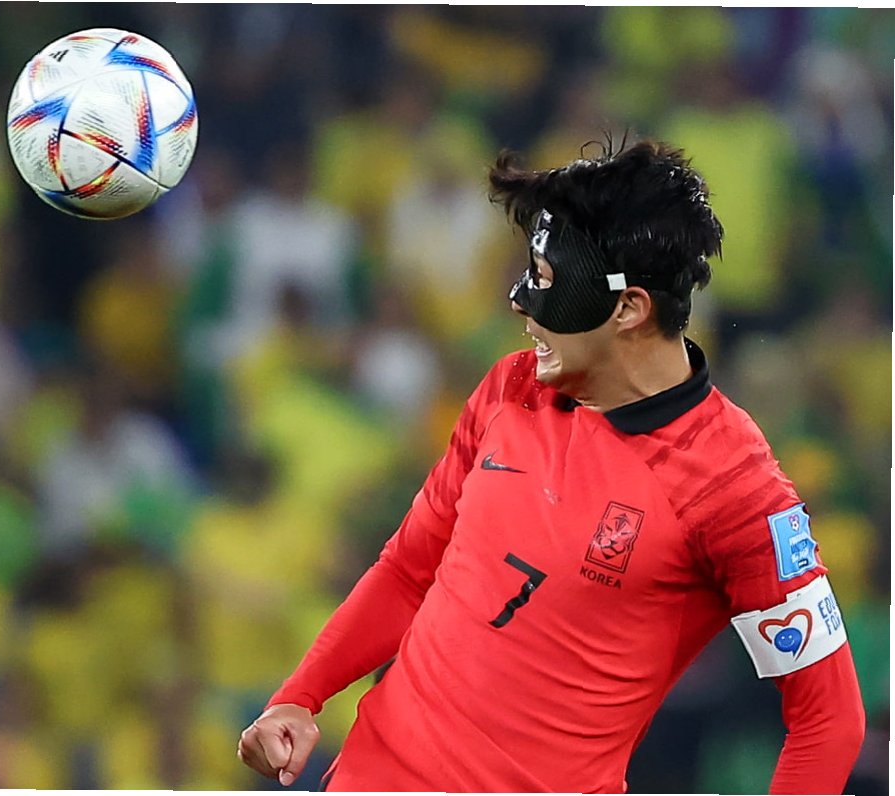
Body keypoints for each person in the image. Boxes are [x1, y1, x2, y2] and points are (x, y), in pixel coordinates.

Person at [237, 140, 866, 793]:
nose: (518, 302)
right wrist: (300, 696)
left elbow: (828, 720)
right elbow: (408, 571)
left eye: (544, 280)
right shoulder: (511, 388)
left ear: (628, 308)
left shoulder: (733, 487)